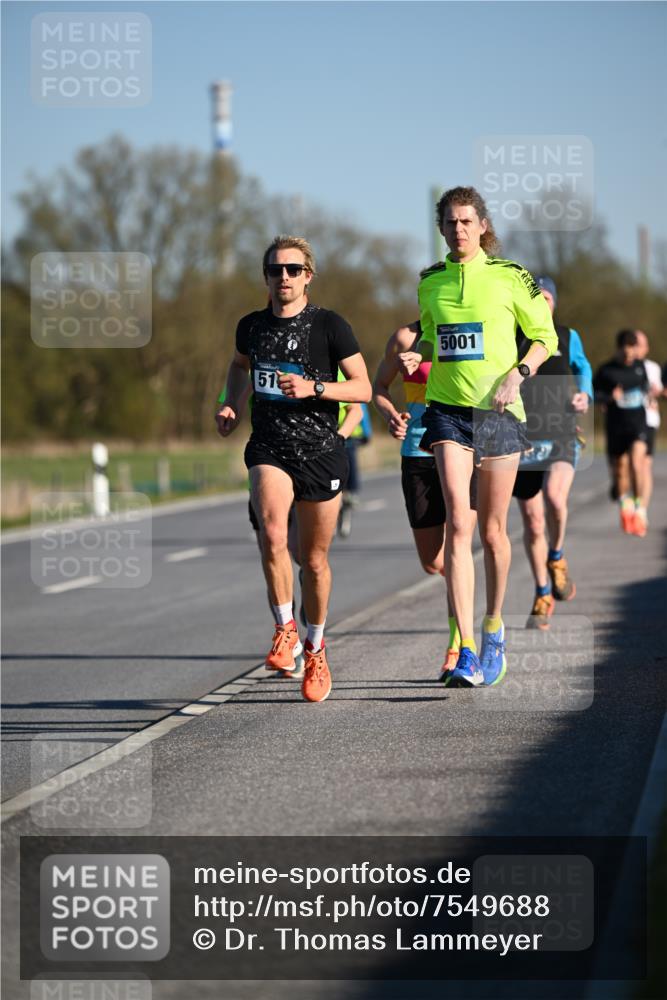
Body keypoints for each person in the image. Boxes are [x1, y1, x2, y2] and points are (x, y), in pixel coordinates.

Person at [399, 186, 557, 687]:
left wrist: (520, 373)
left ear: (482, 225)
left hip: (499, 412)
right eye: (450, 223)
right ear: (441, 229)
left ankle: (493, 628)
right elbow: (431, 336)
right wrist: (415, 355)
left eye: (467, 221)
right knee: (457, 527)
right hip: (446, 412)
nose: (459, 230)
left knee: (492, 531)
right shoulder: (430, 282)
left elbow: (545, 336)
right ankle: (464, 648)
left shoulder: (511, 276)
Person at [216, 235, 371, 702]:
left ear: (308, 275)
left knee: (316, 561)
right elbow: (239, 367)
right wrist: (230, 404)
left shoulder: (330, 326)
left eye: (292, 270)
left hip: (321, 452)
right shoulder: (251, 327)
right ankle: (284, 629)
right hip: (269, 447)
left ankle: (316, 647)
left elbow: (362, 388)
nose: (282, 277)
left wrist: (315, 389)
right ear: (265, 276)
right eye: (274, 270)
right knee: (272, 532)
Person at [373, 319, 477, 680]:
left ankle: (461, 643)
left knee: (458, 542)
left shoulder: (467, 332)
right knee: (433, 561)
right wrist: (391, 417)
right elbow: (379, 387)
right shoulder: (405, 337)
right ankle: (460, 594)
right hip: (417, 450)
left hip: (464, 446)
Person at [511, 277, 593, 629]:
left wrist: (584, 394)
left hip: (561, 433)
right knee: (532, 522)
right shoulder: (512, 336)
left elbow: (583, 367)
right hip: (523, 438)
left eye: (546, 297)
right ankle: (543, 592)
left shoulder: (567, 336)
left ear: (554, 303)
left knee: (556, 501)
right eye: (535, 298)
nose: (541, 303)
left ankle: (556, 558)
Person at [594, 330, 650, 536]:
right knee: (620, 469)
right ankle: (624, 503)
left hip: (638, 424)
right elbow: (593, 395)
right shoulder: (606, 371)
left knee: (637, 462)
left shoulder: (640, 367)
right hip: (616, 426)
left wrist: (650, 397)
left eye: (633, 349)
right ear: (619, 348)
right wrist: (609, 397)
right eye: (626, 349)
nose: (629, 354)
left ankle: (639, 507)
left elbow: (645, 387)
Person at [634, 329, 664, 519]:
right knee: (632, 465)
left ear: (646, 348)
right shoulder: (619, 367)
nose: (636, 349)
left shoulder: (653, 367)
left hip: (649, 420)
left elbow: (659, 389)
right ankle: (629, 497)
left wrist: (656, 392)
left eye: (640, 345)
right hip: (626, 421)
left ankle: (642, 509)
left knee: (645, 464)